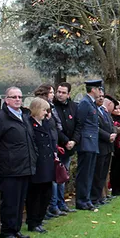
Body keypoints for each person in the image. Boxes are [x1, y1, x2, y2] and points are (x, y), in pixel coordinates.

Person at [0, 86, 37, 238]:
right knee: (10, 201)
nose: (17, 100)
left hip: (24, 166)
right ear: (6, 100)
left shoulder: (24, 117)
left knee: (19, 201)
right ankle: (7, 231)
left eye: (19, 97)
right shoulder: (1, 118)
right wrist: (7, 155)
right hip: (9, 168)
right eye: (13, 97)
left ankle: (16, 229)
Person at [33, 84, 66, 220]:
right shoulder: (41, 112)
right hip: (45, 152)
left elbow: (54, 129)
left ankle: (53, 206)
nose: (54, 95)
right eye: (52, 92)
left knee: (55, 179)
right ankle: (48, 208)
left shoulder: (50, 110)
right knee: (48, 182)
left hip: (53, 147)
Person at [25, 98, 56, 233]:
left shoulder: (44, 124)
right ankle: (33, 221)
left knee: (46, 193)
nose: (46, 113)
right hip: (38, 165)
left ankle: (39, 219)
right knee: (35, 195)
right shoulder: (30, 124)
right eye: (44, 110)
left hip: (47, 164)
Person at [73, 79, 102, 210]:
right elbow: (80, 122)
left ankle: (86, 198)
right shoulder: (85, 103)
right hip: (86, 142)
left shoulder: (91, 103)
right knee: (84, 173)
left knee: (89, 173)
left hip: (91, 142)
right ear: (93, 90)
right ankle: (81, 200)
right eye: (98, 89)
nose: (100, 92)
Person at [52, 82, 78, 213]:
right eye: (58, 92)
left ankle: (62, 203)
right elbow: (55, 128)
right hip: (58, 146)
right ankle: (54, 205)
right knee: (56, 178)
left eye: (63, 93)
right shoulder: (53, 107)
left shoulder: (73, 106)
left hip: (69, 148)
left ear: (68, 94)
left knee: (63, 176)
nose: (60, 95)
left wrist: (73, 141)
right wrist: (66, 140)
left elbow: (78, 125)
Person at [91, 90, 117, 205]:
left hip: (108, 147)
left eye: (102, 96)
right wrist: (108, 136)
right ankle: (95, 197)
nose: (101, 98)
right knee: (98, 173)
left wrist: (114, 133)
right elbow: (95, 127)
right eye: (99, 96)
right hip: (100, 145)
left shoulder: (105, 112)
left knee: (103, 173)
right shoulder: (94, 111)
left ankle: (100, 197)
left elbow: (112, 124)